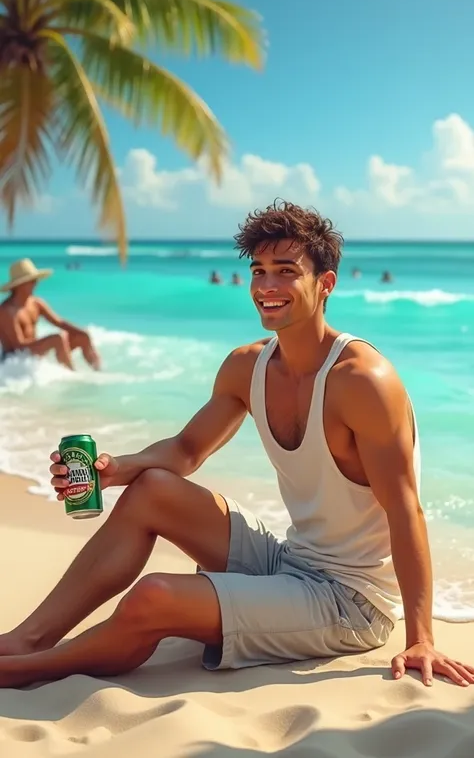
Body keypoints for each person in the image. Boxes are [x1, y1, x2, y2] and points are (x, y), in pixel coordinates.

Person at [0, 201, 472, 690]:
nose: (266, 287)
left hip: (350, 600)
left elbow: (406, 509)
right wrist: (114, 468)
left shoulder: (362, 381)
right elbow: (186, 450)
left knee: (153, 598)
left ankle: (18, 671)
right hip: (291, 561)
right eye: (259, 271)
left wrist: (421, 638)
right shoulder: (248, 367)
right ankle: (28, 639)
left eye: (286, 272)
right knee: (153, 488)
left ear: (325, 284)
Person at [0, 258, 100, 371]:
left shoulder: (36, 303)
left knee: (82, 336)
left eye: (35, 280)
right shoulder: (6, 310)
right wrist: (48, 344)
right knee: (57, 338)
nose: (36, 283)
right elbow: (17, 346)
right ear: (19, 285)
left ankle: (99, 372)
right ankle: (72, 375)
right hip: (16, 360)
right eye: (32, 281)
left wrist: (81, 331)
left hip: (34, 352)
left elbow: (59, 322)